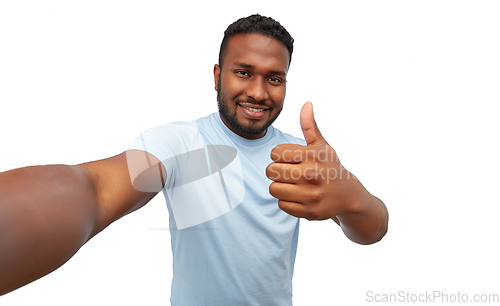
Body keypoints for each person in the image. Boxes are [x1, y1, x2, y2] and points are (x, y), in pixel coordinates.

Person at [0, 14, 388, 305]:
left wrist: (353, 198)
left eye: (274, 78)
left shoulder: (302, 158)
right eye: (243, 72)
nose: (258, 92)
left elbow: (373, 231)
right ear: (217, 75)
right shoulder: (179, 143)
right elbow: (98, 190)